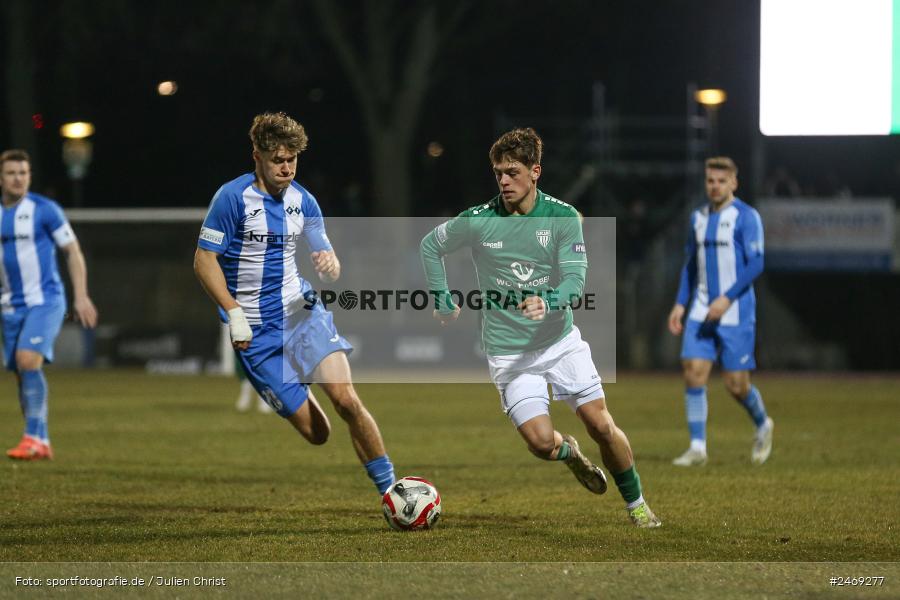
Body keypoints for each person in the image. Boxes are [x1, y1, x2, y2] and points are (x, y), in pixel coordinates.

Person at [420, 128, 660, 528]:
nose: (503, 181)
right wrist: (442, 298)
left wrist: (547, 300)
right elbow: (430, 245)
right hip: (508, 352)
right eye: (498, 173)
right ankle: (571, 454)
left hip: (559, 342)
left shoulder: (564, 218)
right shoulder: (479, 220)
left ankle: (636, 504)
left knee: (601, 424)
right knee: (540, 442)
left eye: (512, 172)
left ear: (535, 172)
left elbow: (574, 282)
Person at [193, 112, 395, 495]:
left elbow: (326, 260)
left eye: (293, 160)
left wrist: (331, 266)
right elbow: (204, 261)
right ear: (257, 156)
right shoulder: (232, 199)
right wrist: (233, 313)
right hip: (254, 332)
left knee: (347, 400)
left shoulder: (304, 202)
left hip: (301, 312)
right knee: (318, 434)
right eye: (278, 161)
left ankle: (391, 491)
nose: (287, 168)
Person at [667, 156, 773, 467]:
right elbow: (690, 265)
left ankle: (763, 423)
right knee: (693, 373)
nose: (715, 186)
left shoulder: (746, 216)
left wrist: (726, 299)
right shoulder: (697, 218)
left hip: (735, 310)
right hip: (701, 307)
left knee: (736, 385)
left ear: (733, 183)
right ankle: (698, 447)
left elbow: (756, 263)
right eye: (710, 181)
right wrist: (679, 303)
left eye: (721, 181)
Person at [1, 149, 98, 460]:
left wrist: (80, 296)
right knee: (21, 370)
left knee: (28, 360)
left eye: (23, 173)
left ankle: (32, 437)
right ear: (1, 178)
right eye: (12, 173)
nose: (18, 178)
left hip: (46, 300)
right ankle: (40, 439)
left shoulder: (45, 210)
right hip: (9, 305)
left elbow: (73, 251)